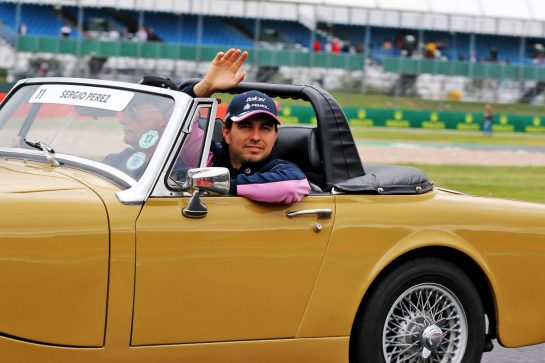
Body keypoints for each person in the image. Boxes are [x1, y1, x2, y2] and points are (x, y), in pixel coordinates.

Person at [178, 49, 311, 204]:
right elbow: (174, 124)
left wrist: (220, 185)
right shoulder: (210, 156)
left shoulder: (280, 169)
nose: (255, 137)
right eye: (246, 126)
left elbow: (294, 186)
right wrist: (205, 86)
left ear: (275, 136)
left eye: (265, 128)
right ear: (226, 132)